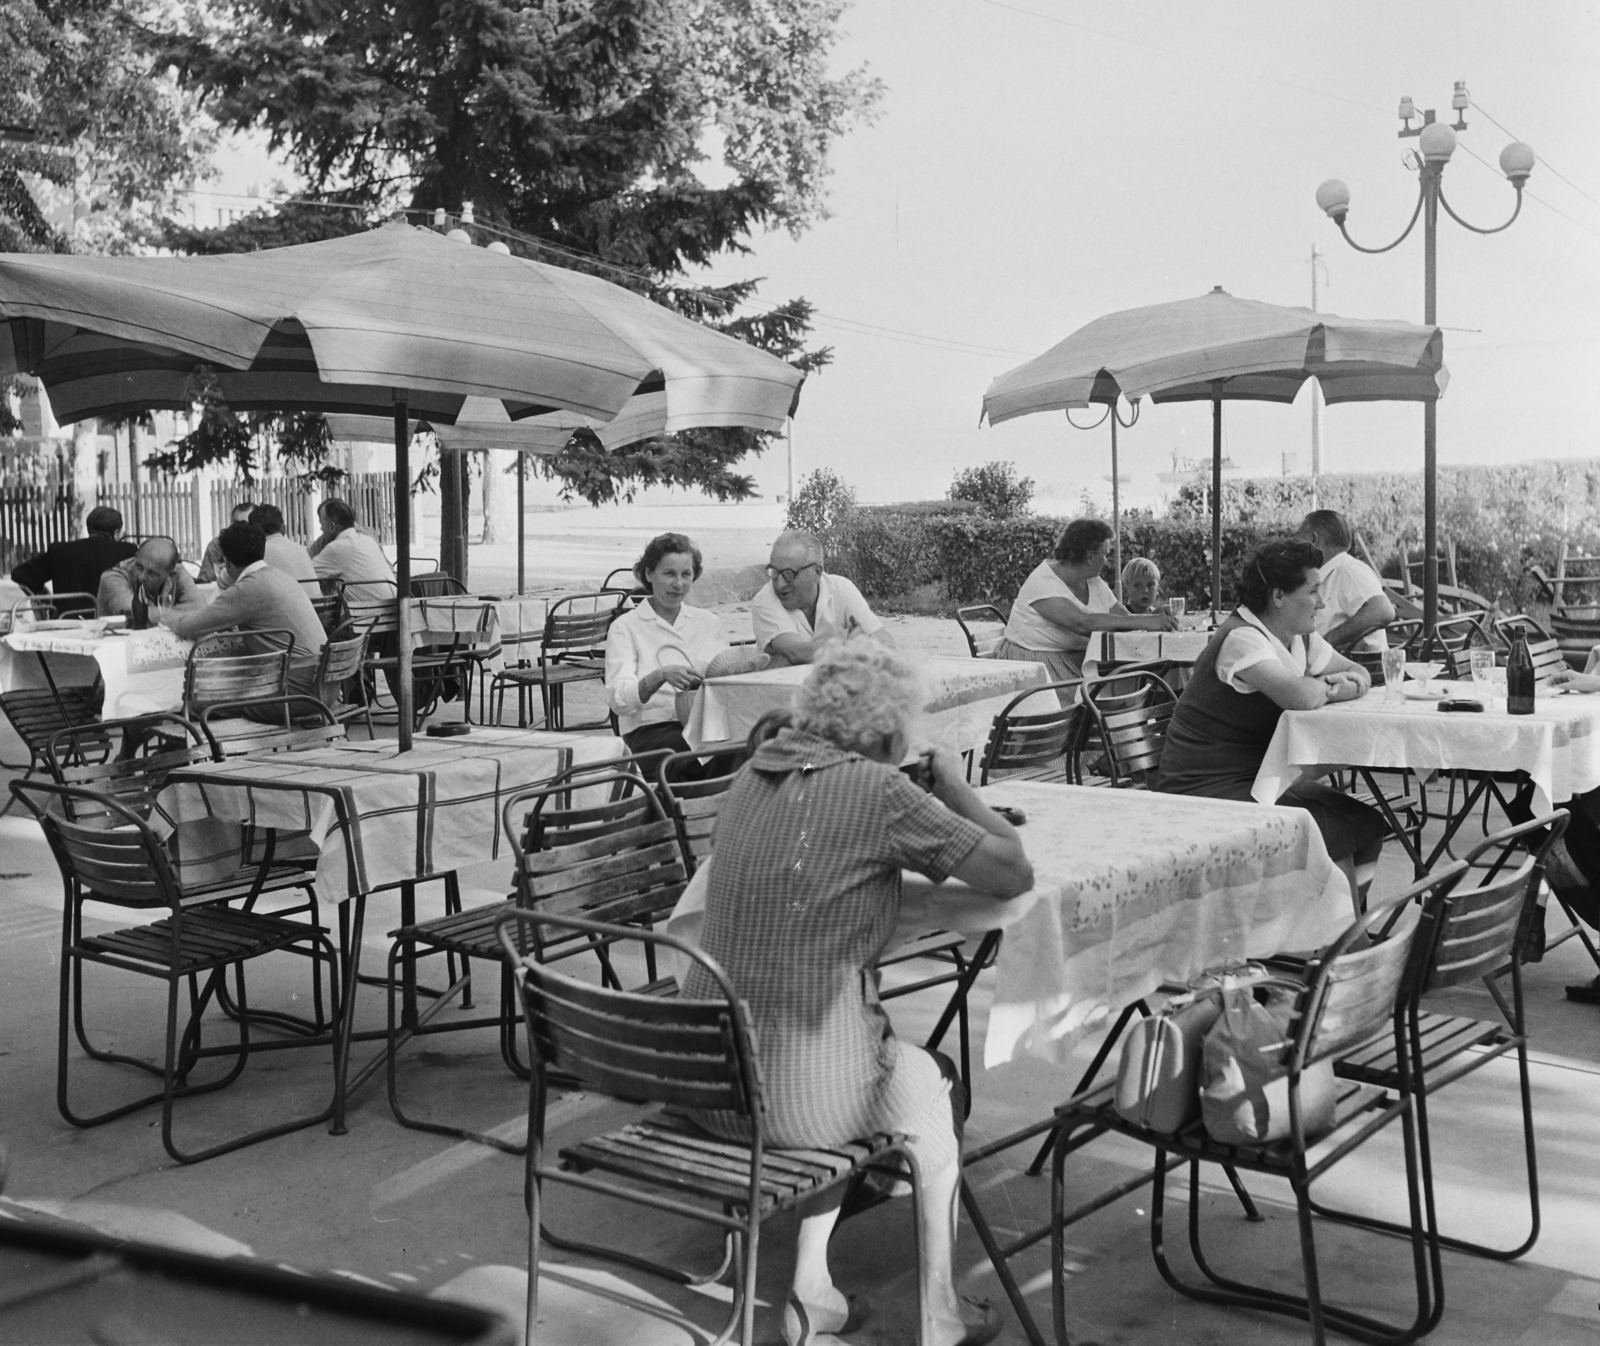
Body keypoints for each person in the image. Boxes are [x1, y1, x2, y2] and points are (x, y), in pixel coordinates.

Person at [681, 641, 1032, 1346]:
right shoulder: (881, 792)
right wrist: (958, 791)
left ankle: (813, 1291)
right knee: (921, 1085)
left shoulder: (752, 774)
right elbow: (1010, 874)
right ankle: (941, 1317)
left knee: (847, 1061)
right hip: (796, 1099)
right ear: (889, 730)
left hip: (707, 1082)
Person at [1156, 537, 1387, 900]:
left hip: (1259, 778)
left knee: (1370, 826)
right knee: (1333, 832)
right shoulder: (1242, 638)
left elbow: (1361, 673)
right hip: (1205, 787)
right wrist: (1331, 685)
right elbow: (1299, 696)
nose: (1322, 603)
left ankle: (1341, 929)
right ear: (1278, 596)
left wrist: (1333, 685)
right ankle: (1344, 945)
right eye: (1313, 592)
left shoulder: (1300, 638)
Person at [165, 521, 329, 707]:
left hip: (298, 694)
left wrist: (164, 617)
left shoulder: (248, 588)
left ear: (226, 561)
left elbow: (188, 627)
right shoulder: (281, 576)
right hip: (324, 685)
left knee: (194, 703)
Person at [996, 518, 1176, 687]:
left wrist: (1154, 616)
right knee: (1105, 699)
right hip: (1036, 664)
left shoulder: (1092, 581)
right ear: (1090, 556)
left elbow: (1123, 617)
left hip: (1078, 659)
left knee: (1133, 682)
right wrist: (1144, 621)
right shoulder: (1043, 583)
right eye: (1105, 554)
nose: (1107, 561)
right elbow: (1082, 623)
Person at [604, 532, 729, 760]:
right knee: (709, 751)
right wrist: (659, 676)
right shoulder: (626, 627)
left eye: (686, 574)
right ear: (649, 574)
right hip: (649, 731)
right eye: (669, 573)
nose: (678, 584)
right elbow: (618, 700)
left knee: (752, 743)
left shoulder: (708, 622)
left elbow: (726, 681)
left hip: (705, 725)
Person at [750, 530, 887, 666]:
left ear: (817, 572)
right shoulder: (765, 601)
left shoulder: (842, 588)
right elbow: (797, 653)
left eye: (789, 574)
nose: (779, 584)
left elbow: (886, 643)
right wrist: (850, 640)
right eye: (774, 572)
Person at [1297, 509, 1395, 655]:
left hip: (1356, 668)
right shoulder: (1327, 572)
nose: (1296, 547)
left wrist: (1327, 642)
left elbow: (1382, 610)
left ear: (1313, 539)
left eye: (1299, 539)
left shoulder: (1348, 570)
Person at [10, 506, 135, 612]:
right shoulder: (128, 551)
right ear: (117, 531)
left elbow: (20, 574)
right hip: (113, 623)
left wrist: (42, 594)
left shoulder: (61, 551)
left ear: (88, 529)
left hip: (67, 622)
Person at [95, 537, 203, 627]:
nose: (141, 577)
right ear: (136, 556)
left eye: (152, 573)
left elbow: (202, 610)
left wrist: (157, 614)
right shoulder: (113, 578)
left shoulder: (178, 573)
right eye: (139, 566)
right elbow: (138, 615)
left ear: (170, 574)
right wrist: (185, 615)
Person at [310, 498, 396, 599]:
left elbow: (305, 574)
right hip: (392, 608)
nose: (321, 529)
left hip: (369, 613)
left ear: (332, 526)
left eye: (321, 524)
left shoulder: (337, 548)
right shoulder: (368, 540)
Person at [248, 503, 318, 583]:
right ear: (283, 528)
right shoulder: (300, 549)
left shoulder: (261, 553)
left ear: (253, 532)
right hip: (315, 595)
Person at [198, 503, 255, 585]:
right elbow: (205, 581)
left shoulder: (262, 545)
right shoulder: (217, 545)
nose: (238, 528)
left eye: (244, 524)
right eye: (235, 522)